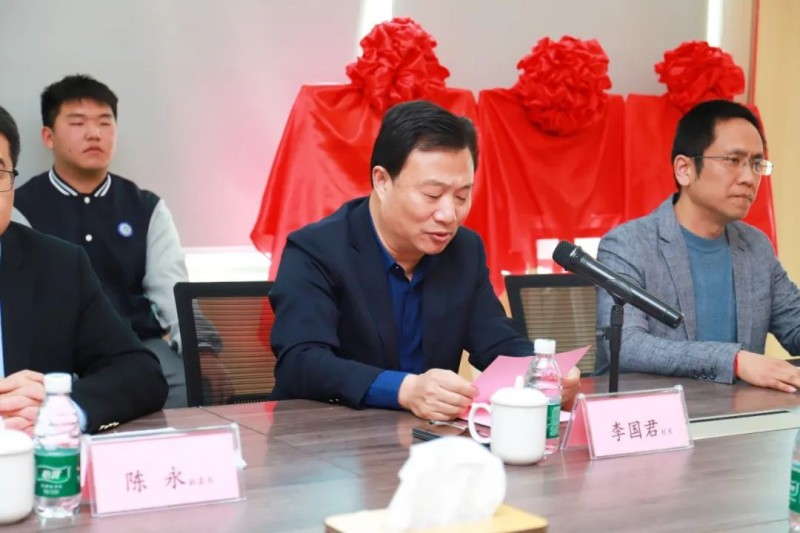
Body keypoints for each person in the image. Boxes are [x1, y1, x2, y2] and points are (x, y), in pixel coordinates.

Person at [269, 100, 580, 420]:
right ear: (382, 181)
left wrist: (543, 370)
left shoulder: (464, 249)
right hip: (328, 435)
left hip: (430, 437)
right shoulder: (316, 250)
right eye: (432, 195)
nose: (448, 214)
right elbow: (301, 361)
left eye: (461, 196)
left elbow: (497, 340)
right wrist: (403, 389)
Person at [595, 99, 800, 393]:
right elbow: (628, 345)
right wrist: (734, 361)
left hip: (742, 414)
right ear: (685, 169)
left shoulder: (755, 246)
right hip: (657, 413)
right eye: (733, 160)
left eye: (756, 164)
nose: (748, 178)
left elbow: (794, 325)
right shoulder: (628, 245)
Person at [12, 75, 189, 407]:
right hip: (55, 353)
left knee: (186, 383)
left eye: (105, 123)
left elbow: (173, 292)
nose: (94, 133)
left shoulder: (146, 207)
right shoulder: (19, 207)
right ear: (48, 137)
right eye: (78, 123)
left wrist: (203, 351)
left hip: (136, 347)